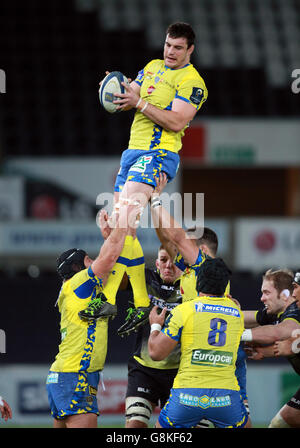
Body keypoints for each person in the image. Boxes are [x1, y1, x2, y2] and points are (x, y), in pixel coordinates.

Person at [80, 22, 208, 332]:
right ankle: (139, 303)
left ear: (190, 50)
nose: (170, 52)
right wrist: (116, 86)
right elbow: (133, 91)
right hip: (132, 154)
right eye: (167, 45)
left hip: (156, 154)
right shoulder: (152, 66)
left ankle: (99, 296)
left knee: (121, 225)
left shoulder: (193, 82)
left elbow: (177, 121)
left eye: (178, 47)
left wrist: (139, 103)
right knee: (118, 229)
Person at [151, 172, 252, 423]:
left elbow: (176, 236)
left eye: (189, 248)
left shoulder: (202, 263)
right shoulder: (201, 272)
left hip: (205, 358)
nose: (180, 252)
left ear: (202, 250)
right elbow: (167, 238)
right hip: (223, 352)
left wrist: (155, 199)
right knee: (240, 418)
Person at [46, 203, 139, 428]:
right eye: (90, 261)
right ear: (78, 267)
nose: (95, 264)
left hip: (66, 374)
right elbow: (107, 261)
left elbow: (118, 269)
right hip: (75, 374)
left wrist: (109, 238)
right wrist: (122, 223)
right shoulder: (78, 283)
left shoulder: (80, 291)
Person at [148, 257, 249, 428]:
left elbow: (156, 353)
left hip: (187, 396)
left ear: (198, 282)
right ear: (225, 285)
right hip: (225, 397)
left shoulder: (184, 310)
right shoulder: (237, 313)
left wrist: (155, 325)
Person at [124, 245, 183, 427]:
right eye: (164, 260)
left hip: (180, 372)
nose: (168, 266)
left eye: (174, 261)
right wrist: (112, 238)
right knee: (134, 424)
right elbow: (117, 277)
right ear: (157, 262)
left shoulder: (192, 286)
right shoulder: (146, 278)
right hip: (144, 368)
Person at [243, 269, 300, 428]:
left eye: (266, 292)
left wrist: (236, 334)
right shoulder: (276, 313)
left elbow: (278, 333)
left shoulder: (295, 312)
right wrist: (221, 313)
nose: (262, 298)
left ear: (285, 294)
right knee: (282, 422)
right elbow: (291, 345)